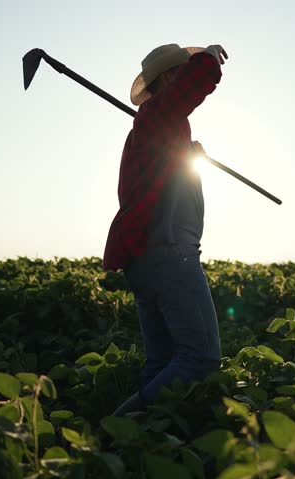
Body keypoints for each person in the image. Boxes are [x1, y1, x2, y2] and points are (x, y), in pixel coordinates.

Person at [102, 43, 228, 416]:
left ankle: (134, 448)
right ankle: (115, 428)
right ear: (171, 78)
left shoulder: (153, 127)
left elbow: (162, 172)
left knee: (164, 361)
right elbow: (193, 85)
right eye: (183, 69)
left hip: (145, 258)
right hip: (169, 252)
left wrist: (190, 153)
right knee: (200, 360)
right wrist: (208, 57)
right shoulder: (158, 113)